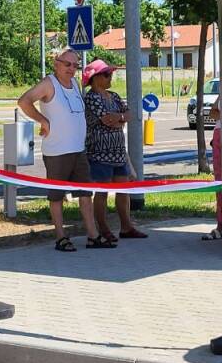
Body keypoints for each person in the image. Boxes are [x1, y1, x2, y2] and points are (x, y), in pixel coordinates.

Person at [17, 49, 111, 251]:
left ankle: (92, 235)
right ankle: (61, 237)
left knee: (85, 193)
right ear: (56, 63)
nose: (71, 69)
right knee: (56, 196)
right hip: (57, 151)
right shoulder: (48, 83)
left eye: (75, 66)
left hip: (78, 149)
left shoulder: (75, 84)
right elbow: (24, 101)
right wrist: (42, 120)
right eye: (67, 64)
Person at [82, 59, 147, 241]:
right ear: (95, 78)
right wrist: (119, 119)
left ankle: (126, 227)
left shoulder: (114, 96)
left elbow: (128, 114)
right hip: (99, 152)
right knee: (102, 192)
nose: (110, 77)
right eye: (106, 74)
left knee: (123, 189)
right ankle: (103, 229)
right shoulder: (91, 98)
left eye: (110, 73)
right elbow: (106, 120)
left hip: (118, 152)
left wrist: (119, 118)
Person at [203, 100, 222, 241]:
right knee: (220, 183)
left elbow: (217, 113)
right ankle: (221, 226)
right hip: (220, 133)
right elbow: (212, 112)